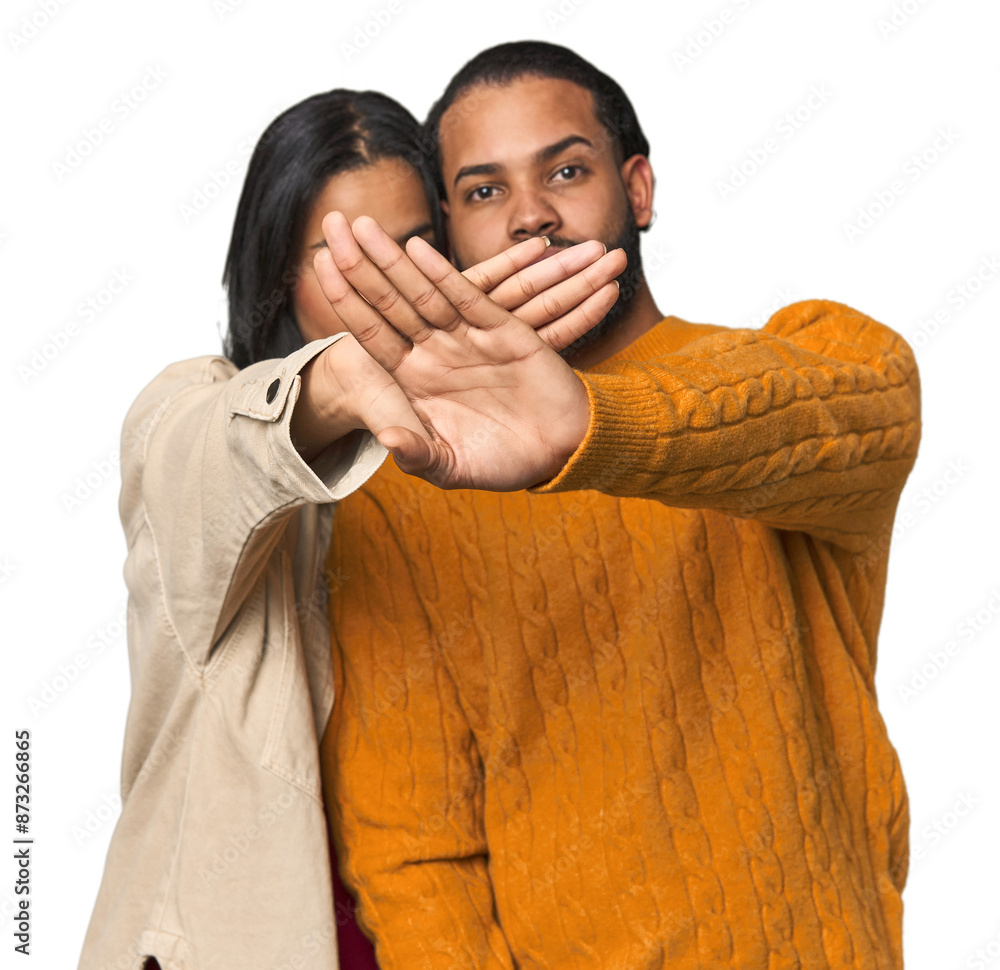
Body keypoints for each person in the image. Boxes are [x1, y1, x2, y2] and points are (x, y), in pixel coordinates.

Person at [319, 42, 922, 969]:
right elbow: (414, 848)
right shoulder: (406, 485)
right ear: (446, 232)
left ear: (636, 189)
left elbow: (869, 410)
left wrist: (593, 424)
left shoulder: (800, 365)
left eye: (565, 170)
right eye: (484, 192)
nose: (531, 218)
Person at [77, 87, 624, 970]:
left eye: (413, 248)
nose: (392, 287)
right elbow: (199, 466)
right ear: (277, 272)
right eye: (342, 258)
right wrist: (332, 385)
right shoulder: (198, 412)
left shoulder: (479, 458)